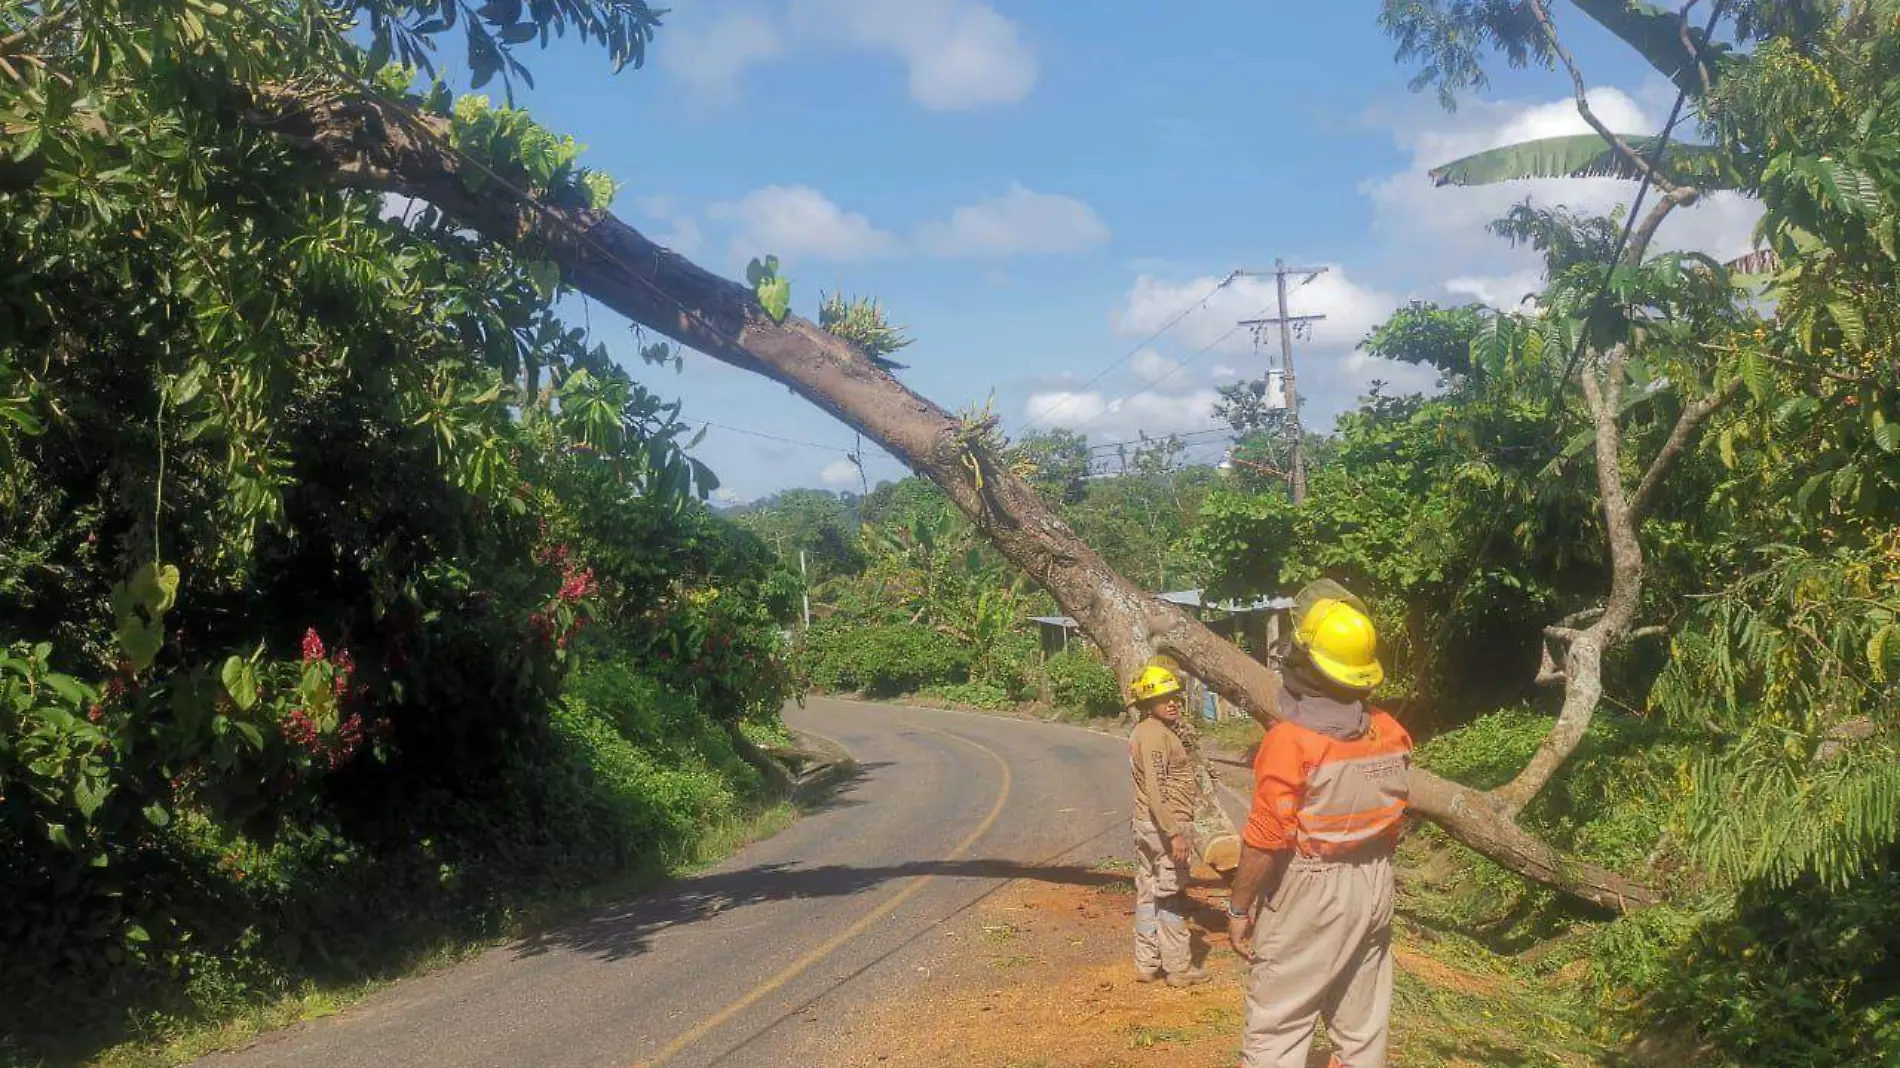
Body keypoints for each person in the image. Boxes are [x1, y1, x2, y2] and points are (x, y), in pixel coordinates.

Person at [1224, 584, 1413, 1068]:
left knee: (1279, 1027)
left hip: (1312, 890)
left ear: (1306, 664)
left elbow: (1265, 842)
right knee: (1362, 1031)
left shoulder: (1291, 743)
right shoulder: (1391, 732)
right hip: (1375, 884)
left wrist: (1240, 907)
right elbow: (1393, 820)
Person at [1126, 663, 1210, 988]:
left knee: (1148, 893)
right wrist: (1175, 832)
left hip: (1145, 826)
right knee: (1171, 895)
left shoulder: (1145, 732)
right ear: (1149, 704)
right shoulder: (1156, 736)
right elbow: (1156, 791)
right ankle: (1178, 968)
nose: (1172, 703)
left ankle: (1146, 963)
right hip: (1162, 829)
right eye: (1163, 699)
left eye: (1174, 696)